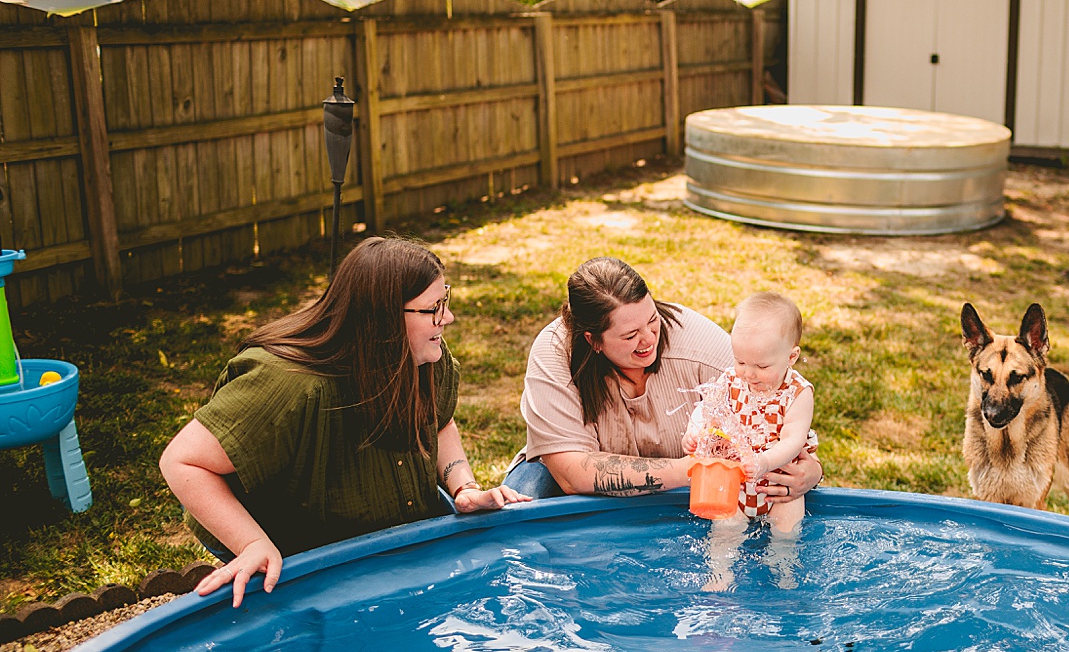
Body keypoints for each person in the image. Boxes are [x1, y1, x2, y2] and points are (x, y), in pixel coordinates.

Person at [160, 237, 529, 607]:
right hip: (286, 541)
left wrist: (462, 486)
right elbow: (183, 461)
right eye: (433, 308)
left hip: (367, 523)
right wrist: (251, 543)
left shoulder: (425, 354)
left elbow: (438, 420)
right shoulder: (290, 384)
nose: (447, 318)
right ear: (382, 317)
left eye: (444, 301)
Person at [506, 257, 824, 504]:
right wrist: (694, 468)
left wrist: (812, 471)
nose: (648, 340)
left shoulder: (703, 349)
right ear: (594, 341)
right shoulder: (554, 354)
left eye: (653, 320)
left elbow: (778, 416)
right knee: (522, 505)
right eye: (630, 335)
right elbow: (572, 474)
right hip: (573, 485)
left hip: (687, 489)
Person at [683, 292, 814, 590]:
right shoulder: (731, 380)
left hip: (780, 486)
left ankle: (784, 576)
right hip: (736, 483)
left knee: (786, 532)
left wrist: (764, 460)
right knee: (724, 529)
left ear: (791, 356)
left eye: (762, 366)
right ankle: (720, 575)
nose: (749, 374)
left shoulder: (798, 392)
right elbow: (706, 409)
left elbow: (794, 440)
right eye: (740, 360)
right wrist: (693, 433)